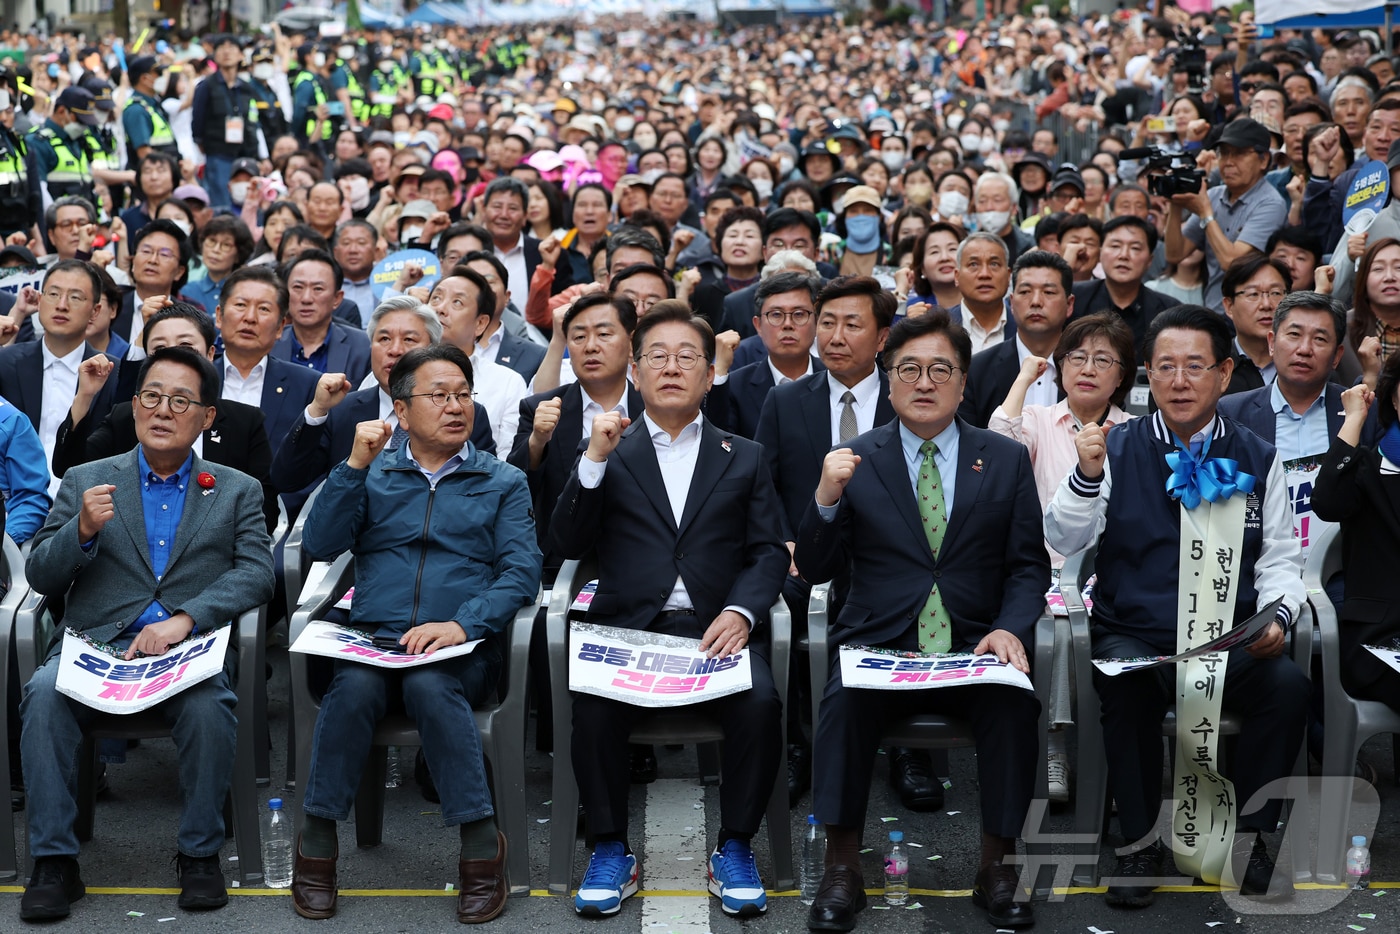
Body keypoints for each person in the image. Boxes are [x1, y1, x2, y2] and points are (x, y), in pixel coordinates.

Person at [794, 310, 1050, 931]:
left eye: (941, 368)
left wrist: (1009, 628)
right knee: (844, 704)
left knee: (1013, 707)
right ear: (887, 381)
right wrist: (825, 499)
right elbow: (816, 567)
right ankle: (843, 869)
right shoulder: (854, 458)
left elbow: (1027, 568)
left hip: (973, 642)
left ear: (964, 383)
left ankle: (998, 865)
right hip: (881, 641)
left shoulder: (1005, 459)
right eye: (909, 368)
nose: (924, 380)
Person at [1044, 304, 1307, 907]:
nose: (1180, 381)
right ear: (1147, 377)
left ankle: (1253, 838)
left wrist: (1277, 618)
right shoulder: (1114, 445)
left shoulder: (1258, 455)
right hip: (1137, 633)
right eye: (1165, 367)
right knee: (1127, 691)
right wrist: (1085, 476)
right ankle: (1137, 842)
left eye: (1195, 367)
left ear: (1225, 372)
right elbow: (1064, 540)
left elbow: (1279, 562)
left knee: (1287, 688)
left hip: (1228, 640)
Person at [18, 345, 274, 921]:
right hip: (96, 645)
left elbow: (257, 572)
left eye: (181, 401)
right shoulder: (87, 478)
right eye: (151, 397)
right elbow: (40, 573)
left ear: (207, 416)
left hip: (186, 648)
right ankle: (54, 861)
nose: (163, 410)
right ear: (134, 406)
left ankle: (200, 853)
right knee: (41, 694)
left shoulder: (235, 489)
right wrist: (80, 532)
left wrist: (186, 619)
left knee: (210, 708)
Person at [549, 302, 787, 918]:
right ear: (636, 369)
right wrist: (593, 462)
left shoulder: (746, 454)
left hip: (715, 630)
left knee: (761, 703)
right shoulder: (609, 446)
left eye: (688, 357)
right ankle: (609, 848)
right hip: (629, 628)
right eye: (658, 355)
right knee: (594, 706)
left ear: (710, 376)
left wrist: (743, 611)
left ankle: (734, 845)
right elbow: (567, 546)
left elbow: (766, 552)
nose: (673, 367)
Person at [291, 343, 540, 924]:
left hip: (461, 647)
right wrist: (352, 467)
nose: (456, 408)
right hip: (374, 641)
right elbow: (322, 545)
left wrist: (460, 624)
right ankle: (316, 836)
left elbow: (521, 571)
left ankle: (481, 842)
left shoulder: (501, 481)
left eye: (463, 395)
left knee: (431, 687)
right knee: (350, 690)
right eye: (439, 396)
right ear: (400, 411)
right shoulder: (373, 470)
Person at [755, 277, 923, 809]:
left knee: (910, 596)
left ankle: (907, 749)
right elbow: (764, 486)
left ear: (882, 339)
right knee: (776, 599)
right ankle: (797, 745)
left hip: (890, 559)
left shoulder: (911, 399)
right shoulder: (784, 401)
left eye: (852, 324)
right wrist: (783, 541)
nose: (834, 336)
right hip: (805, 555)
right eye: (825, 322)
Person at [52, 303, 279, 534]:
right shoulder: (128, 416)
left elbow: (265, 515)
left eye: (186, 346)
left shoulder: (244, 422)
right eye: (160, 349)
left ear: (211, 354)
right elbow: (69, 468)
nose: (173, 358)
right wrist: (85, 396)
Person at [270, 297, 495, 497]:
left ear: (433, 350)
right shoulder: (342, 411)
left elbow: (483, 491)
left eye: (409, 340)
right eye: (384, 339)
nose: (395, 350)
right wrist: (317, 411)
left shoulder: (462, 413)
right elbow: (287, 480)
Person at [1311, 354, 1400, 710]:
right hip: (1381, 641)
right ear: (1393, 398)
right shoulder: (1368, 466)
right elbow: (1327, 503)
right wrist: (1354, 420)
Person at [0, 260, 121, 494]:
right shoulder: (6, 362)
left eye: (75, 297)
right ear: (40, 299)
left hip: (83, 502)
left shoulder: (113, 372)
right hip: (13, 500)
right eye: (53, 294)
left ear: (95, 311)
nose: (62, 305)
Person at [1166, 118, 1288, 314]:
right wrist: (1175, 204)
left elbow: (1232, 263)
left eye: (1239, 153)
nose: (1229, 162)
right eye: (1223, 153)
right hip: (1213, 309)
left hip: (1251, 316)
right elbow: (1174, 254)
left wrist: (1206, 214)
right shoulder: (1213, 195)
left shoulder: (1271, 203)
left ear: (1264, 159)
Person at [959, 250, 1074, 429]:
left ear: (1070, 304)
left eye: (1049, 292)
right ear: (1011, 303)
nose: (1036, 301)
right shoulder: (977, 371)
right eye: (1026, 291)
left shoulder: (1086, 369)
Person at [707, 272, 826, 440]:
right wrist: (719, 370)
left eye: (799, 314)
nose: (787, 324)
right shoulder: (737, 386)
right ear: (758, 326)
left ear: (817, 322)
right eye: (776, 315)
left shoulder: (834, 377)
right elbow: (719, 444)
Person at [426, 266, 526, 457]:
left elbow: (507, 459)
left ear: (480, 323)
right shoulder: (396, 373)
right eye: (436, 298)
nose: (440, 309)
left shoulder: (507, 383)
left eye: (457, 302)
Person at [1071, 216, 1179, 364]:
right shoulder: (1074, 298)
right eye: (1115, 246)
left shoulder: (1169, 311)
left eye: (1135, 248)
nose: (1124, 255)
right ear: (1100, 253)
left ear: (1149, 260)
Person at [271, 250, 372, 387]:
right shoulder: (268, 344)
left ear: (337, 298)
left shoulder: (364, 347)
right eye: (298, 287)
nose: (306, 298)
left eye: (318, 289)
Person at [189, 35, 260, 210]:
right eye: (222, 48)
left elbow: (252, 121)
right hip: (218, 153)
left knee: (247, 200)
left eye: (232, 48)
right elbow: (197, 123)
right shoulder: (206, 86)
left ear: (241, 55)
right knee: (221, 203)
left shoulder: (246, 87)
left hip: (244, 154)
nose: (227, 52)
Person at [1220, 255, 1291, 395]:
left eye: (1276, 293)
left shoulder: (1303, 363)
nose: (1266, 304)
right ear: (1229, 306)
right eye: (1253, 294)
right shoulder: (1216, 365)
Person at [949, 232, 1015, 353]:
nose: (984, 274)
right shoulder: (939, 327)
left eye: (994, 264)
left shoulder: (1025, 329)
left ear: (1009, 276)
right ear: (957, 276)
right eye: (973, 264)